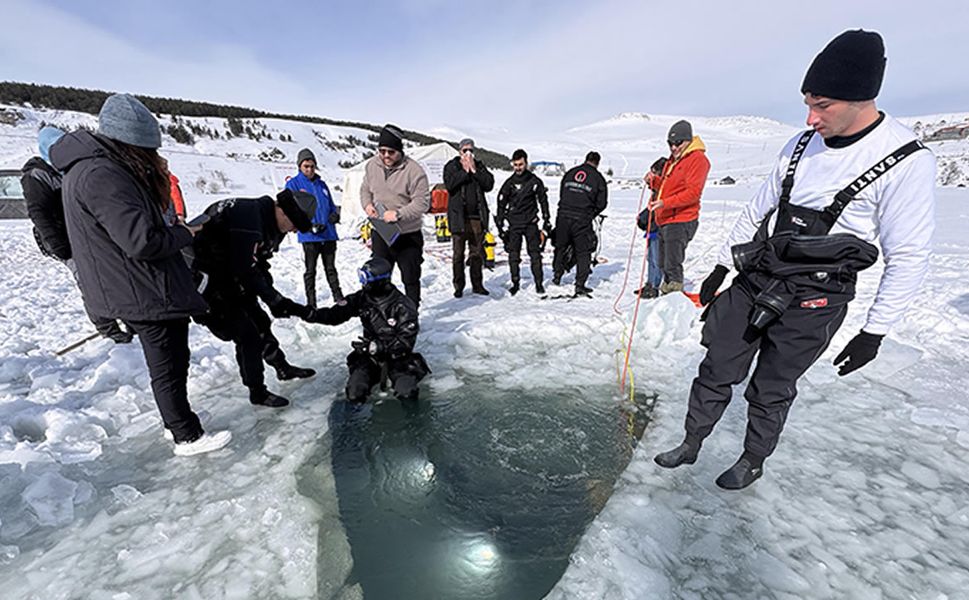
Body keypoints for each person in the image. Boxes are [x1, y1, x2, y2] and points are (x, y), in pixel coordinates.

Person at [653, 30, 936, 490]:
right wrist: (724, 268)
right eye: (807, 103)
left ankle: (752, 458)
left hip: (818, 295)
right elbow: (756, 209)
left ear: (861, 97)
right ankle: (692, 441)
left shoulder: (904, 159)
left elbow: (909, 255)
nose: (811, 117)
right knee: (717, 363)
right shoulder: (800, 145)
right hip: (761, 274)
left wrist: (874, 332)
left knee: (771, 385)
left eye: (821, 105)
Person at [51, 93, 230, 456]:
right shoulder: (103, 174)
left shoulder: (89, 168)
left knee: (169, 359)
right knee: (167, 360)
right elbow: (141, 240)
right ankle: (186, 435)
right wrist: (184, 234)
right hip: (141, 286)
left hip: (132, 283)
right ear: (130, 143)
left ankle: (176, 419)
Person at [190, 189, 318, 408]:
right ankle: (257, 392)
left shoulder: (265, 218)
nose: (296, 230)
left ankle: (282, 368)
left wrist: (273, 297)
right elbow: (245, 269)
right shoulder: (249, 221)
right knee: (247, 335)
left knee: (260, 321)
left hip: (230, 275)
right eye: (295, 223)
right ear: (284, 212)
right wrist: (274, 299)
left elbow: (257, 262)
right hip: (207, 283)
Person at [22, 126, 133, 343]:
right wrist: (58, 245)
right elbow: (38, 212)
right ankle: (108, 328)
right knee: (89, 280)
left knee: (113, 273)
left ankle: (130, 318)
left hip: (86, 233)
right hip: (64, 239)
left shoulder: (70, 167)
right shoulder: (37, 175)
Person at [304, 257, 430, 403]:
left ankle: (412, 422)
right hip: (370, 358)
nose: (363, 283)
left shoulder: (403, 305)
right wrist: (308, 313)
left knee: (407, 393)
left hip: (399, 358)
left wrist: (378, 347)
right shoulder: (361, 298)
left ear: (381, 281)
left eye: (366, 278)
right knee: (354, 392)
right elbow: (335, 315)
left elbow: (406, 341)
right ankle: (352, 421)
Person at [360, 124, 431, 306]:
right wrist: (367, 204)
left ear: (400, 150)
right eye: (382, 151)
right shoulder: (371, 166)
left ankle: (411, 317)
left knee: (410, 279)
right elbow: (365, 189)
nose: (385, 156)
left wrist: (399, 214)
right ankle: (382, 315)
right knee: (378, 278)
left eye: (390, 152)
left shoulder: (414, 171)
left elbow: (422, 203)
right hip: (382, 233)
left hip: (408, 235)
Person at [647, 120, 710, 295]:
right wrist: (654, 181)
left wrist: (665, 203)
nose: (673, 147)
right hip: (665, 219)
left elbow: (693, 193)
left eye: (678, 143)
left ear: (688, 140)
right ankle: (665, 299)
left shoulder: (698, 160)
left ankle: (673, 300)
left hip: (681, 220)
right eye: (670, 144)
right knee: (663, 264)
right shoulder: (673, 161)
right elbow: (668, 187)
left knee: (672, 266)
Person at [286, 148, 343, 307]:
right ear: (299, 166)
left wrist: (334, 215)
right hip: (310, 236)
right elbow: (289, 209)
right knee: (310, 270)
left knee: (331, 268)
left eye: (312, 166)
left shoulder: (322, 184)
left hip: (328, 233)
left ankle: (338, 296)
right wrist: (307, 226)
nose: (310, 169)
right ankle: (311, 302)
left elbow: (331, 205)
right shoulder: (293, 184)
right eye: (306, 166)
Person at [551, 151, 608, 297]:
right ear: (597, 163)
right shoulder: (598, 178)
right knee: (584, 252)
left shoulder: (570, 173)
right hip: (582, 219)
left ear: (586, 159)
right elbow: (602, 203)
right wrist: (591, 213)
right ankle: (580, 285)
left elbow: (562, 192)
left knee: (560, 246)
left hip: (563, 215)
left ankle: (557, 276)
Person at [444, 138, 495, 297]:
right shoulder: (452, 166)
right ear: (459, 151)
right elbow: (450, 185)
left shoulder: (479, 166)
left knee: (477, 253)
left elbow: (489, 184)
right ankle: (458, 286)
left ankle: (477, 284)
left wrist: (474, 171)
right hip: (459, 218)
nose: (468, 153)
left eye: (471, 150)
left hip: (476, 218)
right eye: (465, 150)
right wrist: (464, 172)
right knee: (458, 254)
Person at [496, 148, 551, 295]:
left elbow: (543, 200)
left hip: (530, 224)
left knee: (535, 254)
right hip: (514, 225)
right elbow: (501, 202)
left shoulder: (534, 181)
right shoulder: (509, 183)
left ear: (526, 163)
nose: (518, 168)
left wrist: (547, 219)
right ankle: (515, 282)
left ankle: (539, 283)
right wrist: (500, 223)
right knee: (513, 255)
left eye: (520, 164)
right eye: (515, 165)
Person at [635, 157, 668, 298]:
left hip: (659, 227)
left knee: (656, 258)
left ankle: (655, 286)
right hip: (652, 227)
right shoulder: (655, 191)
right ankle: (649, 283)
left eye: (654, 173)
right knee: (650, 258)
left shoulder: (664, 187)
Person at [159, 156, 186, 223]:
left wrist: (179, 213)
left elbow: (177, 199)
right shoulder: (164, 182)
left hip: (171, 215)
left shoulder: (170, 183)